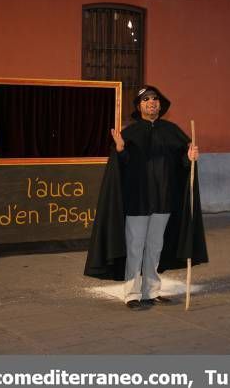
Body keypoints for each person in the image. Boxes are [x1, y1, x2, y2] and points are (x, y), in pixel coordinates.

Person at [84, 85, 208, 310]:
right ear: (139, 106)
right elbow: (120, 168)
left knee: (155, 246)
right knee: (134, 246)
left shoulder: (172, 131)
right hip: (138, 199)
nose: (152, 103)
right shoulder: (130, 134)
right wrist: (120, 150)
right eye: (147, 100)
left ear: (161, 105)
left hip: (163, 199)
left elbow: (182, 164)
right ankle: (132, 293)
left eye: (155, 99)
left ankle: (151, 290)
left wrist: (190, 157)